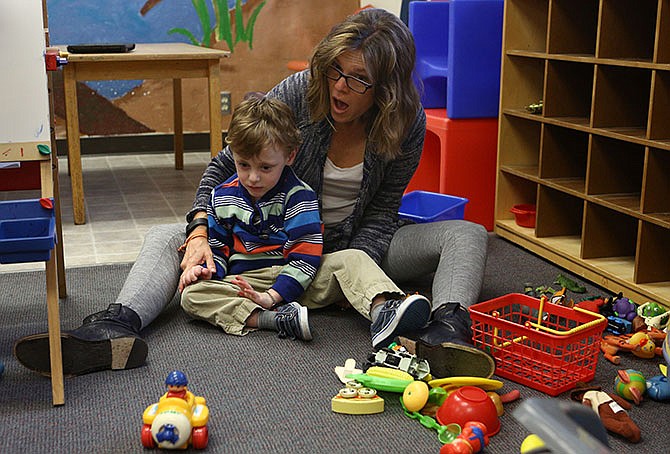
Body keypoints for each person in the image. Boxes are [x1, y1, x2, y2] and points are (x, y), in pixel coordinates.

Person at [14, 8, 489, 377]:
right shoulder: (303, 91)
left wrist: (346, 266)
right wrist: (200, 230)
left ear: (385, 88)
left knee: (467, 234)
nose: (340, 88)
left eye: (359, 80)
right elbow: (225, 166)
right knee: (166, 235)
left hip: (352, 250)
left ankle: (445, 335)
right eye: (335, 71)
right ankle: (114, 329)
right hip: (273, 244)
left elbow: (384, 212)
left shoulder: (406, 125)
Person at [180, 96, 322, 341]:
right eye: (243, 165)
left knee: (351, 261)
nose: (253, 178)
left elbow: (306, 257)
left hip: (295, 276)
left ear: (290, 156)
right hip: (244, 282)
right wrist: (205, 271)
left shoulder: (300, 196)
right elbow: (217, 249)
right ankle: (271, 319)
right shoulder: (221, 196)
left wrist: (274, 295)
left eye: (265, 168)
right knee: (191, 295)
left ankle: (383, 307)